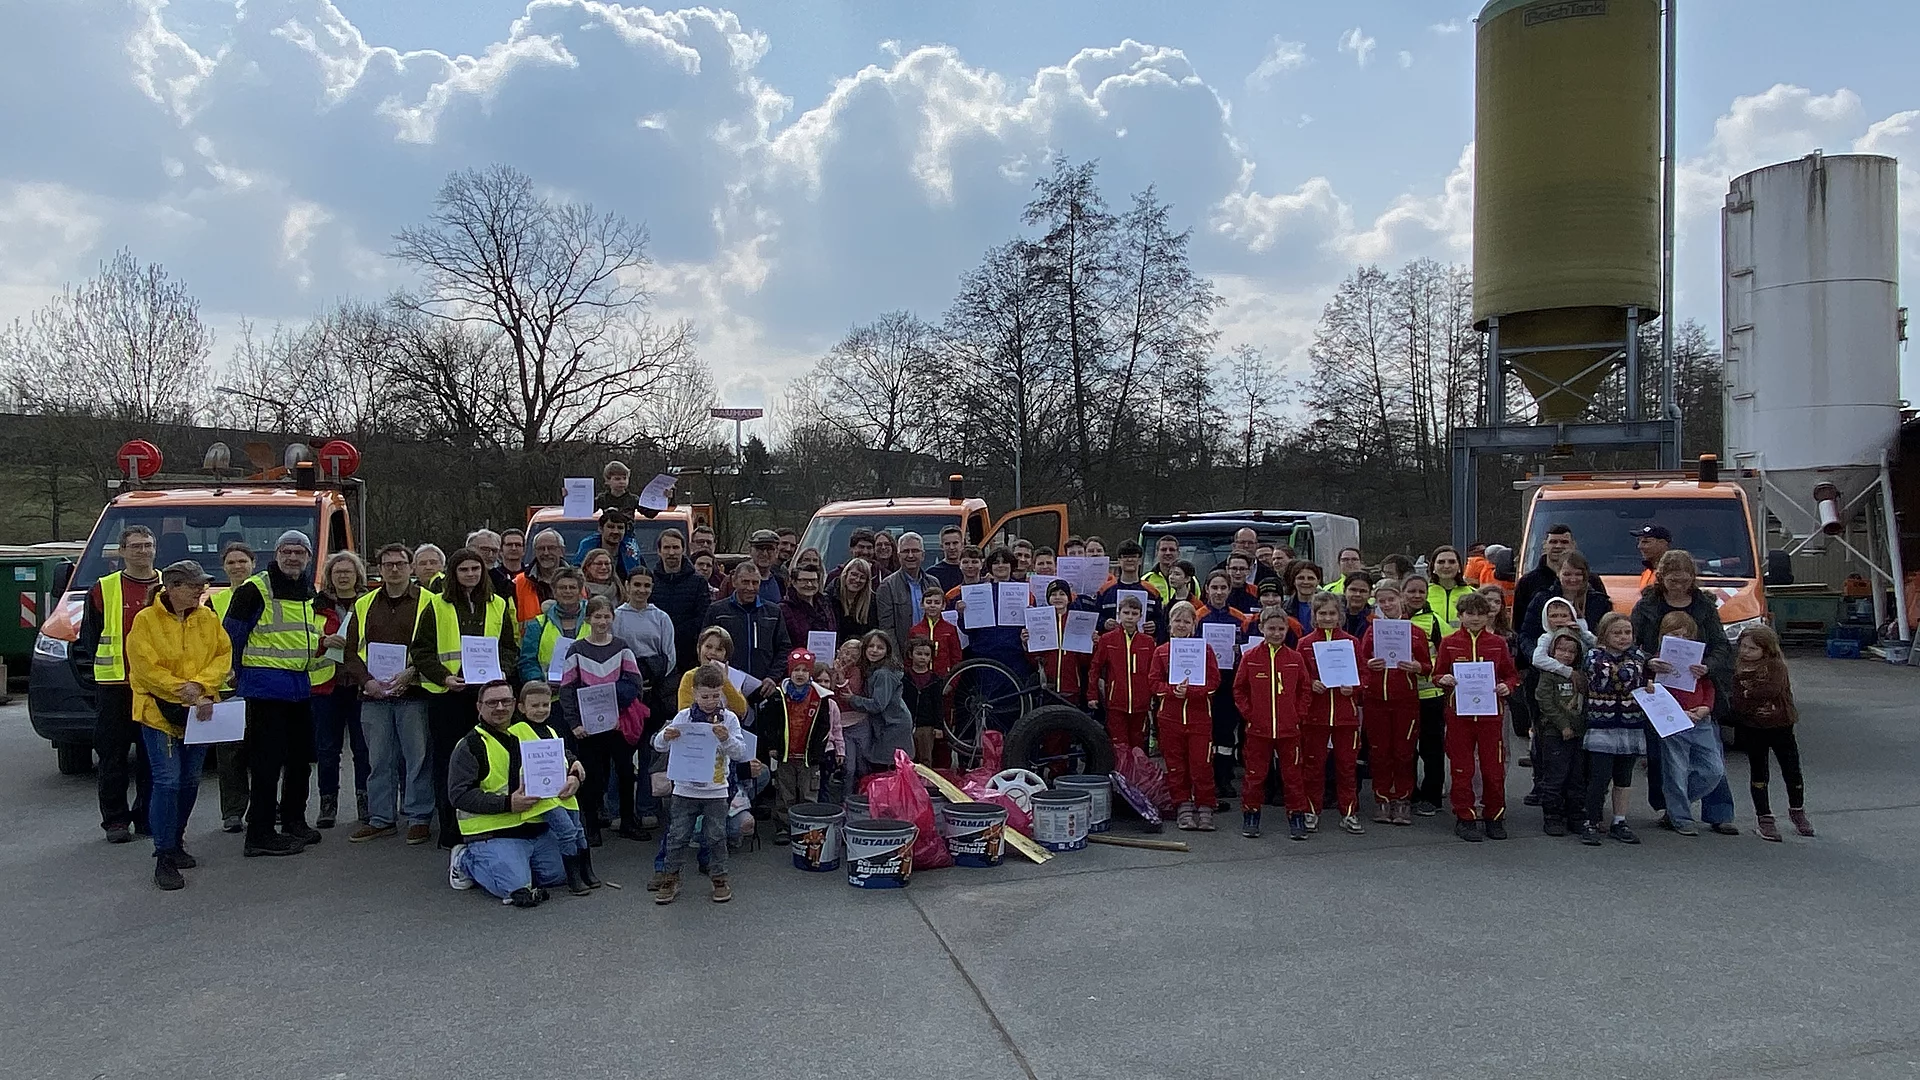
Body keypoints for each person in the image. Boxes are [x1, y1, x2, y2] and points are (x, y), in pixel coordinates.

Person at [127, 560, 230, 889]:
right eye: (193, 585)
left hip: (199, 711)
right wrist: (180, 689)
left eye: (202, 584)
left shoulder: (208, 618)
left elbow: (223, 656)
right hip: (159, 714)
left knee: (189, 781)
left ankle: (176, 839)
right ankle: (164, 854)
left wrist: (199, 686)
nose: (200, 590)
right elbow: (144, 668)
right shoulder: (146, 620)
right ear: (171, 588)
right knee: (168, 781)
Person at [224, 529, 325, 857]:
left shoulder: (308, 590)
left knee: (300, 761)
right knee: (266, 764)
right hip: (265, 690)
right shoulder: (255, 589)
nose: (293, 557)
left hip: (299, 688)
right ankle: (260, 833)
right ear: (276, 554)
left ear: (308, 557)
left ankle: (294, 820)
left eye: (300, 552)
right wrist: (236, 676)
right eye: (287, 552)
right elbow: (232, 636)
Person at [411, 547, 518, 850]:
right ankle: (450, 829)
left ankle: (491, 821)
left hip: (487, 696)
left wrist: (501, 672)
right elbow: (420, 651)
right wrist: (443, 677)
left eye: (475, 569)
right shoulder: (436, 605)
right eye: (464, 569)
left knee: (489, 760)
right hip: (449, 695)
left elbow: (509, 647)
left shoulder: (498, 603)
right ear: (453, 573)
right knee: (448, 761)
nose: (470, 574)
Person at [444, 680, 574, 907]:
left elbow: (560, 754)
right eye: (492, 702)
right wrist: (507, 803)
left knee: (561, 875)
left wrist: (575, 771)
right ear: (479, 706)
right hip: (493, 831)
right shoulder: (470, 745)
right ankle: (464, 860)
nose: (500, 707)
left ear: (515, 704)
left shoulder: (528, 731)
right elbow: (459, 795)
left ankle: (516, 863)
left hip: (535, 827)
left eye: (506, 701)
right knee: (516, 887)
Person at [1633, 548, 1736, 830]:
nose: (1679, 585)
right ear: (1661, 577)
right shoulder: (1647, 606)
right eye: (1673, 580)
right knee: (1665, 759)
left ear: (1693, 577)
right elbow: (1631, 645)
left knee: (1712, 758)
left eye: (1685, 579)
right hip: (1659, 690)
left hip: (1698, 686)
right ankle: (1674, 811)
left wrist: (1708, 667)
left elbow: (1721, 645)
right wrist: (1648, 661)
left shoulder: (1704, 606)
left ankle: (1718, 814)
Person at [344, 543, 434, 844]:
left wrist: (413, 672)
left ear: (411, 567)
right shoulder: (364, 604)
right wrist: (367, 681)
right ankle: (381, 819)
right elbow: (351, 651)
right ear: (379, 569)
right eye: (387, 564)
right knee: (379, 760)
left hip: (414, 693)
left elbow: (437, 646)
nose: (394, 569)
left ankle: (419, 817)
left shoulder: (430, 602)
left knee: (418, 759)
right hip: (374, 696)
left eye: (400, 564)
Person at [81, 524, 158, 844]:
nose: (143, 551)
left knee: (153, 757)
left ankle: (147, 817)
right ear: (122, 551)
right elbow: (90, 637)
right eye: (136, 546)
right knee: (112, 757)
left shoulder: (169, 585)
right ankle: (115, 821)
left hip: (156, 685)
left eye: (148, 545)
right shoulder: (104, 588)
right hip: (115, 685)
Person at [651, 666, 749, 905]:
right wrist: (666, 736)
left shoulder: (729, 719)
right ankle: (671, 878)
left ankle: (719, 878)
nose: (710, 701)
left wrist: (726, 738)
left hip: (716, 790)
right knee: (677, 835)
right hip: (684, 788)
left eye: (715, 695)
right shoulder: (683, 717)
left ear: (721, 692)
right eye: (704, 696)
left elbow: (740, 752)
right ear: (694, 693)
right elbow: (658, 745)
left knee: (716, 836)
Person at [558, 595, 647, 846]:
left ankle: (628, 821)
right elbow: (567, 688)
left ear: (613, 618)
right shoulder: (576, 649)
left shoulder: (622, 647)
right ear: (588, 619)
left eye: (607, 616)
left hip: (617, 724)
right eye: (597, 616)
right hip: (587, 727)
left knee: (626, 772)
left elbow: (635, 683)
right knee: (592, 776)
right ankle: (592, 826)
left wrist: (619, 713)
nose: (602, 621)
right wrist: (574, 723)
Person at [1432, 593, 1520, 842]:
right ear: (1460, 616)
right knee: (1462, 768)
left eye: (1481, 614)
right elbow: (1437, 674)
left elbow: (1511, 675)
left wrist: (1506, 686)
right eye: (1470, 613)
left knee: (1493, 769)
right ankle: (1465, 817)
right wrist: (1443, 679)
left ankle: (1495, 816)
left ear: (1488, 616)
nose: (1475, 618)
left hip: (1490, 716)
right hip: (1459, 716)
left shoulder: (1497, 643)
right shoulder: (1449, 643)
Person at [1651, 611, 1735, 837]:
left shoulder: (1698, 661)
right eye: (1674, 635)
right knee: (1675, 771)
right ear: (1663, 637)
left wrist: (1706, 707)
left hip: (1701, 720)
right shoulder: (1658, 661)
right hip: (1673, 721)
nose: (1680, 639)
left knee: (1713, 769)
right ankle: (1681, 818)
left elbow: (1709, 687)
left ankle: (1675, 806)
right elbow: (1654, 692)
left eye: (1685, 636)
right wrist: (1677, 712)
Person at [511, 680, 597, 893]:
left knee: (579, 830)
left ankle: (586, 871)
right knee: (567, 832)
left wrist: (573, 762)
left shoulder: (551, 730)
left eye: (545, 705)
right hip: (541, 797)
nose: (541, 710)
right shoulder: (515, 732)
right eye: (535, 705)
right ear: (521, 707)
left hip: (562, 792)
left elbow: (562, 753)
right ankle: (574, 878)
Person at [1234, 607, 1309, 840]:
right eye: (1271, 628)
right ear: (1261, 629)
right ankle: (1251, 814)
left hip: (1289, 730)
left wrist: (1298, 715)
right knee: (1254, 775)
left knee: (1293, 776)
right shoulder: (1251, 657)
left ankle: (1297, 816)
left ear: (1287, 630)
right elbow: (1239, 689)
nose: (1276, 633)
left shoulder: (1295, 658)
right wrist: (1250, 714)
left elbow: (1305, 690)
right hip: (1258, 729)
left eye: (1281, 629)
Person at [1731, 626, 1812, 842]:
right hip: (1753, 727)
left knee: (1791, 770)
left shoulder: (1775, 666)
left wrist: (1749, 693)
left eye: (1752, 648)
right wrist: (1746, 698)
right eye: (1743, 647)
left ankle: (1797, 810)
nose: (1746, 652)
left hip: (1780, 725)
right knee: (1759, 772)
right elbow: (1737, 701)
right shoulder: (1737, 668)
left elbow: (1771, 690)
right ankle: (1764, 817)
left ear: (1766, 650)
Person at [1360, 584, 1429, 827]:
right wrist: (1370, 664)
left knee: (1403, 752)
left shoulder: (1415, 632)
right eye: (1382, 601)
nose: (1387, 604)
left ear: (1400, 599)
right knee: (1379, 752)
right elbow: (1361, 661)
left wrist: (1417, 667)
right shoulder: (1372, 631)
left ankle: (1402, 799)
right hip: (1375, 700)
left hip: (1405, 701)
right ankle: (1382, 798)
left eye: (1391, 599)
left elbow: (1427, 666)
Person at [310, 551, 370, 830]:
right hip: (326, 685)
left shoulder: (370, 602)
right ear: (329, 577)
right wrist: (323, 641)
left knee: (363, 748)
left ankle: (365, 800)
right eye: (338, 572)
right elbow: (303, 637)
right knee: (327, 749)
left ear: (358, 575)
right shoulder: (314, 605)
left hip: (361, 685)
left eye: (348, 571)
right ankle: (328, 803)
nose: (343, 576)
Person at [1579, 612, 1650, 846]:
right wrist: (1628, 675)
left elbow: (1629, 676)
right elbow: (1608, 678)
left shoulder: (1637, 656)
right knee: (1599, 776)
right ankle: (1590, 820)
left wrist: (1630, 675)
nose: (1623, 637)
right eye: (1616, 633)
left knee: (1623, 777)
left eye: (1627, 632)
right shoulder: (1594, 655)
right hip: (1602, 725)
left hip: (1630, 724)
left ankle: (1619, 820)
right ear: (1604, 635)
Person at [1150, 601, 1220, 831]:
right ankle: (1183, 805)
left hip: (1199, 717)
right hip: (1170, 718)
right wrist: (1173, 690)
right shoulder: (1161, 651)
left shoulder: (1205, 650)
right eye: (1177, 620)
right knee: (1176, 766)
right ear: (1169, 624)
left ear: (1194, 625)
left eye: (1186, 621)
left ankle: (1205, 806)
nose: (1181, 625)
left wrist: (1191, 692)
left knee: (1202, 764)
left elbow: (1214, 681)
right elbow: (1154, 683)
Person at [1300, 592, 1365, 835]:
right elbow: (1298, 677)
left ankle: (1348, 812)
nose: (1327, 618)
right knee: (1313, 766)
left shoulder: (1351, 642)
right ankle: (1311, 811)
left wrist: (1354, 687)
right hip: (1315, 715)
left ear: (1340, 616)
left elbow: (1364, 675)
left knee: (1347, 766)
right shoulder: (1305, 643)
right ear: (1314, 616)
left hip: (1345, 715)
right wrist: (1311, 683)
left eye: (1332, 613)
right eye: (1322, 613)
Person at [765, 648, 838, 841]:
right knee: (785, 793)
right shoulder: (779, 695)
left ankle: (808, 827)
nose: (800, 674)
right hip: (785, 754)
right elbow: (771, 723)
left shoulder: (820, 696)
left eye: (805, 670)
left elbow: (824, 726)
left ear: (810, 673)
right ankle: (783, 826)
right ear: (790, 671)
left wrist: (818, 752)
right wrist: (772, 746)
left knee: (809, 793)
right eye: (796, 669)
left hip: (809, 756)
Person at [1194, 572, 1251, 803]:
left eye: (1223, 588)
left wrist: (1239, 650)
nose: (1219, 592)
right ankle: (1207, 779)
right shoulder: (1198, 616)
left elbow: (1247, 647)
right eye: (1214, 587)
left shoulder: (1240, 618)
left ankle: (1225, 778)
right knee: (1206, 731)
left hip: (1230, 679)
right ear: (1206, 589)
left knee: (1226, 731)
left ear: (1229, 590)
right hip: (1204, 680)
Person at [211, 541, 256, 833]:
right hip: (227, 684)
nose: (237, 566)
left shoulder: (266, 596)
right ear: (224, 568)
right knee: (229, 753)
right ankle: (233, 811)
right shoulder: (213, 603)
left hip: (260, 682)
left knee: (264, 749)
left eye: (242, 561)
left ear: (253, 564)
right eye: (231, 562)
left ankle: (266, 806)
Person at [705, 560, 790, 708]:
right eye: (745, 582)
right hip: (726, 688)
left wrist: (773, 677)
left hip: (763, 689)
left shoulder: (773, 612)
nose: (750, 588)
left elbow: (784, 648)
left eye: (755, 583)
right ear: (734, 582)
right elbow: (705, 648)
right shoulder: (717, 611)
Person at [1532, 624, 1589, 837]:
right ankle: (1552, 816)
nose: (1566, 655)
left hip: (1579, 733)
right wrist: (1563, 725)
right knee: (1555, 776)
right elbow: (1544, 701)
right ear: (1553, 651)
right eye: (1561, 650)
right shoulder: (1549, 674)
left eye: (1571, 651)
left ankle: (1575, 815)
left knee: (1577, 777)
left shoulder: (1581, 675)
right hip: (1554, 733)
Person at [1401, 575, 1449, 816]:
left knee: (1432, 748)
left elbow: (1447, 654)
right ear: (1402, 593)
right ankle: (1409, 793)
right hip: (1401, 694)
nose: (1417, 596)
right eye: (1412, 591)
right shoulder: (1391, 620)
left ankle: (1432, 796)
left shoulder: (1435, 621)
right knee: (1406, 748)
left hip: (1430, 693)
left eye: (1421, 591)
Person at [1088, 595, 1157, 756]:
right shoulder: (1107, 639)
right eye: (1126, 613)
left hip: (1141, 704)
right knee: (1119, 744)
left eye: (1134, 613)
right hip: (1116, 702)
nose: (1130, 617)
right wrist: (1092, 695)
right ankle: (1121, 772)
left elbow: (1154, 672)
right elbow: (1095, 667)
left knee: (1138, 744)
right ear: (1119, 614)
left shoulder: (1148, 642)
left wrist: (1153, 697)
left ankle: (1137, 772)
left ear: (1140, 616)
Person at [847, 630, 913, 778]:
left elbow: (878, 705)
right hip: (886, 724)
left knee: (887, 768)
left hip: (894, 726)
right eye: (871, 646)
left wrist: (852, 699)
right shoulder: (872, 670)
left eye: (880, 647)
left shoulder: (884, 674)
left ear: (887, 651)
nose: (874, 650)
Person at [650, 528, 709, 679]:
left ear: (683, 550)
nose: (671, 552)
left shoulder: (698, 582)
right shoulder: (650, 581)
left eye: (675, 547)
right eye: (667, 547)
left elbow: (703, 618)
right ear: (659, 551)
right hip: (657, 656)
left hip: (689, 656)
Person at [517, 567, 587, 685]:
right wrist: (539, 682)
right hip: (549, 691)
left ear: (580, 592)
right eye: (562, 587)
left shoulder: (593, 621)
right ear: (554, 592)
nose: (567, 591)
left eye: (572, 587)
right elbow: (528, 661)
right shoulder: (538, 624)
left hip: (584, 689)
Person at [875, 532, 941, 645]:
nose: (910, 555)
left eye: (915, 551)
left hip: (931, 648)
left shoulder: (933, 583)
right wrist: (896, 656)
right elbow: (887, 630)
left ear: (923, 555)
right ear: (899, 556)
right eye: (905, 551)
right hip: (903, 650)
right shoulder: (887, 586)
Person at [1095, 541, 1165, 638]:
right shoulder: (1105, 590)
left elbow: (1162, 620)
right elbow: (1094, 617)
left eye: (1134, 556)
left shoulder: (1152, 591)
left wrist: (1155, 626)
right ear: (1119, 560)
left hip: (1142, 643)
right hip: (1112, 643)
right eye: (1125, 557)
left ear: (1140, 560)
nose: (1129, 559)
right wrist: (1104, 623)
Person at [1512, 523, 1574, 630]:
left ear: (1573, 545)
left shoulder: (1588, 581)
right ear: (1545, 545)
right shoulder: (1527, 582)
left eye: (1564, 542)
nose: (1558, 546)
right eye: (1553, 542)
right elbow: (1518, 625)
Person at [514, 529, 570, 623]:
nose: (546, 553)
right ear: (534, 552)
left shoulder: (576, 580)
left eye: (551, 548)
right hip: (531, 632)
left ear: (562, 551)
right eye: (541, 548)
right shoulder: (520, 582)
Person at [903, 638, 943, 766]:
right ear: (911, 655)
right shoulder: (904, 677)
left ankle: (925, 779)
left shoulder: (935, 680)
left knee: (925, 759)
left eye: (926, 654)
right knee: (907, 759)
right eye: (919, 653)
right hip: (906, 724)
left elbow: (938, 704)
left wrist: (938, 726)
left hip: (926, 726)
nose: (922, 657)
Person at [906, 587, 963, 677]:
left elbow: (956, 658)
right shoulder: (915, 630)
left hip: (944, 677)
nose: (932, 606)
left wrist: (953, 681)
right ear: (922, 605)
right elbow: (908, 658)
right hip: (920, 678)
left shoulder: (950, 629)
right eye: (929, 602)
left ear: (943, 605)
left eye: (937, 602)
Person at [573, 509, 642, 580]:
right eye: (611, 527)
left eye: (620, 528)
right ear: (600, 529)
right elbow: (576, 572)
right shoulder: (587, 546)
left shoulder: (631, 550)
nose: (616, 531)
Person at [782, 563, 837, 648]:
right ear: (794, 582)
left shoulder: (826, 604)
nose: (809, 584)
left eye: (813, 580)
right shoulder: (784, 608)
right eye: (804, 580)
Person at [828, 557, 879, 645]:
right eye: (854, 574)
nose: (857, 580)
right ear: (845, 574)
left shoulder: (872, 601)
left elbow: (872, 630)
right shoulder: (830, 597)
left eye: (862, 577)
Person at [1426, 546, 1477, 629]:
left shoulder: (1473, 594)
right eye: (1441, 562)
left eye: (1452, 562)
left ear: (1459, 567)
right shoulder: (1423, 593)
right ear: (1433, 567)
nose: (1446, 566)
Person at [468, 529, 512, 598]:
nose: (490, 555)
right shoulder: (454, 577)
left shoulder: (503, 583)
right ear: (469, 549)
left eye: (494, 551)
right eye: (485, 549)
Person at [746, 529, 786, 604]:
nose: (765, 553)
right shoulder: (735, 579)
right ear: (750, 550)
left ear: (777, 552)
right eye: (759, 548)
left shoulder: (779, 581)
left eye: (770, 549)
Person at [1141, 535, 1184, 601]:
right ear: (1157, 553)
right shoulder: (1146, 579)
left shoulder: (1190, 581)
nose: (1168, 553)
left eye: (1172, 550)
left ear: (1178, 553)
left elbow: (1197, 604)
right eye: (1163, 549)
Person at [1633, 523, 1673, 589]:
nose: (1639, 546)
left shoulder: (1673, 573)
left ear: (1662, 543)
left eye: (1646, 542)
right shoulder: (1647, 572)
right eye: (1639, 541)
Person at [929, 524, 966, 592]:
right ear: (941, 546)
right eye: (947, 544)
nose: (951, 547)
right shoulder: (932, 573)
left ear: (962, 545)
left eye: (955, 543)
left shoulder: (971, 570)